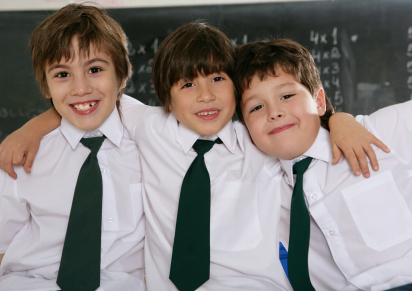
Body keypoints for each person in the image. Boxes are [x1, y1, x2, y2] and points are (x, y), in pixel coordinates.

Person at [0, 21, 387, 290]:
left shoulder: (259, 138)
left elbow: (300, 123)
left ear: (238, 90)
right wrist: (30, 128)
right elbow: (90, 100)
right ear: (166, 98)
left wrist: (339, 119)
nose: (205, 96)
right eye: (187, 84)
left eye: (218, 79)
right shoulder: (148, 127)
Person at [235, 38, 412, 291]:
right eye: (257, 107)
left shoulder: (377, 133)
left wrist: (340, 117)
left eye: (286, 95)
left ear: (319, 101)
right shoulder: (263, 183)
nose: (274, 112)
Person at [0, 4, 145, 290]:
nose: (80, 88)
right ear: (46, 86)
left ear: (123, 75)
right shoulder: (22, 156)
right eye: (62, 74)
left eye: (94, 69)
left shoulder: (152, 142)